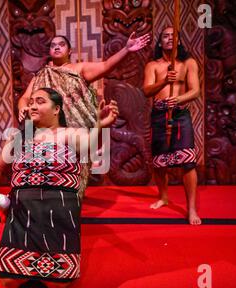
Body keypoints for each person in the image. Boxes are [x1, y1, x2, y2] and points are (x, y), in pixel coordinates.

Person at [0, 88, 118, 288]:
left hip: (59, 210)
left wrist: (99, 126)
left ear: (56, 109)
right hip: (22, 212)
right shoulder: (19, 137)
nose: (32, 106)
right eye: (31, 102)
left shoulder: (70, 134)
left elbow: (88, 147)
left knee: (57, 284)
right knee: (9, 282)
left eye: (40, 101)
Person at [17, 33, 150, 197]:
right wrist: (23, 107)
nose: (57, 47)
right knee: (49, 177)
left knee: (75, 178)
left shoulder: (78, 69)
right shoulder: (41, 74)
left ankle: (71, 206)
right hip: (49, 131)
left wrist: (126, 49)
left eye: (61, 44)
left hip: (75, 130)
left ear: (69, 51)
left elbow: (107, 65)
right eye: (53, 45)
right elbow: (24, 97)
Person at [142, 26, 201, 225]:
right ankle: (164, 197)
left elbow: (195, 91)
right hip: (159, 114)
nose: (169, 39)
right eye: (165, 36)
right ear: (160, 42)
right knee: (159, 161)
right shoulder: (153, 65)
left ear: (179, 41)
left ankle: (191, 208)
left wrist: (178, 99)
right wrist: (164, 81)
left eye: (173, 36)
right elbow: (147, 91)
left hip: (180, 115)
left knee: (188, 161)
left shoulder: (188, 63)